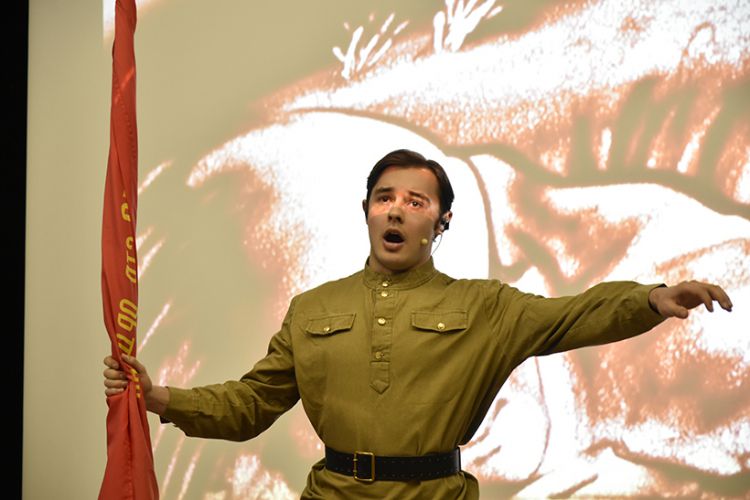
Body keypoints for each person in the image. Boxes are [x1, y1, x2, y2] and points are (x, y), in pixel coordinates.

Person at [103, 149, 733, 499]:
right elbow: (250, 404)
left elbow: (575, 313)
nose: (397, 210)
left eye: (416, 200)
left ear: (441, 220)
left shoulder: (486, 307)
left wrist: (651, 299)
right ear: (367, 212)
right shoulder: (312, 309)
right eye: (385, 198)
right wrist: (159, 398)